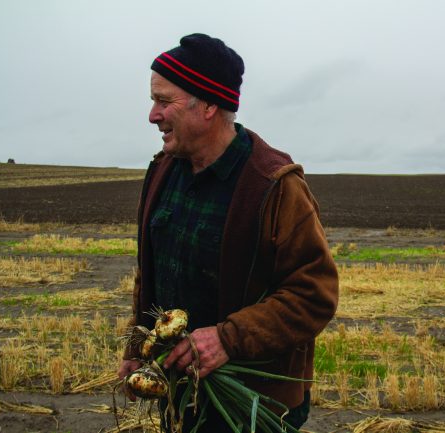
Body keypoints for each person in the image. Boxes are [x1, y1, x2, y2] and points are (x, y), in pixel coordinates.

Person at [117, 33, 339, 432]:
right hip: (181, 390)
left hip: (252, 404)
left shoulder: (274, 186)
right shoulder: (163, 172)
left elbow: (314, 293)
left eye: (164, 101)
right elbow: (153, 272)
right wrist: (139, 346)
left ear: (208, 105)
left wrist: (227, 339)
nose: (153, 114)